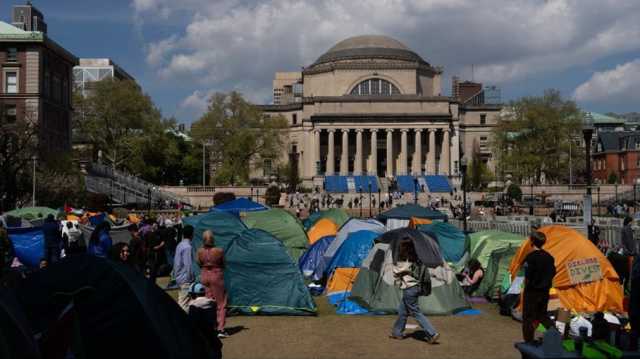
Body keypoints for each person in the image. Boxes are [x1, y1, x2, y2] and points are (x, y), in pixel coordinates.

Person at [390, 239, 440, 344]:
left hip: (409, 289)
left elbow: (395, 272)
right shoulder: (417, 259)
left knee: (416, 312)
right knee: (402, 311)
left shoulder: (404, 260)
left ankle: (432, 333)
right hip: (416, 288)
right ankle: (397, 332)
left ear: (403, 248)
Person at [522, 231, 556, 343]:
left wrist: (525, 289)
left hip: (532, 292)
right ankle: (555, 334)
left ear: (532, 241)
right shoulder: (549, 258)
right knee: (542, 316)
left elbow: (528, 277)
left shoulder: (530, 258)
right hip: (545, 291)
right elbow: (553, 273)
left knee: (528, 318)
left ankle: (528, 342)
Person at [197, 230, 229, 338]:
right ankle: (221, 329)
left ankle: (210, 326)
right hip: (216, 274)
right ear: (213, 239)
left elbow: (199, 263)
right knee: (221, 303)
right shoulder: (219, 250)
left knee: (208, 302)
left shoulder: (199, 251)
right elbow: (224, 263)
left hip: (204, 275)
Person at [188, 282, 223, 357]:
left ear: (194, 294)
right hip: (213, 338)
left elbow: (192, 324)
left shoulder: (193, 307)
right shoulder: (212, 303)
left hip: (201, 340)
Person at [174, 224, 195, 311]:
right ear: (192, 234)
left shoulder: (180, 245)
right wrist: (191, 278)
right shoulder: (188, 247)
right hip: (185, 279)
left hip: (179, 276)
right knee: (183, 303)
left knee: (185, 301)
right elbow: (188, 265)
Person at [621, 216, 638, 289]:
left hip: (628, 252)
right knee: (630, 271)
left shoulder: (626, 228)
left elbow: (625, 242)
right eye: (632, 221)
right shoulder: (627, 229)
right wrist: (632, 251)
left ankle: (626, 286)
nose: (632, 223)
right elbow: (629, 241)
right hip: (630, 253)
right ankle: (628, 286)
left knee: (627, 271)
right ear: (629, 221)